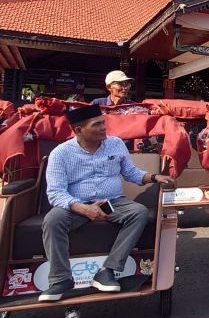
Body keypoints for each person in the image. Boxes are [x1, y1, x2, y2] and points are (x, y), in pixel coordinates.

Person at [40, 105, 174, 301]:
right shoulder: (60, 153)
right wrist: (84, 209)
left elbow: (130, 172)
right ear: (79, 130)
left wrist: (154, 177)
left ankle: (108, 270)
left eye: (103, 123)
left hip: (113, 202)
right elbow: (55, 193)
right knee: (53, 220)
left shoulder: (115, 144)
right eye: (97, 125)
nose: (104, 128)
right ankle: (61, 280)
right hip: (75, 205)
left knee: (139, 212)